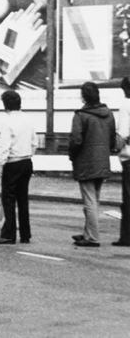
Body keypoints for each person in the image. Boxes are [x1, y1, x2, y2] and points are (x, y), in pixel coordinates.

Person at [68, 81, 119, 247]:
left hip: (86, 161)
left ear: (84, 97)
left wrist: (72, 155)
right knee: (94, 199)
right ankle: (87, 232)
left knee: (89, 201)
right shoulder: (108, 114)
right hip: (102, 160)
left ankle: (92, 237)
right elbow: (112, 139)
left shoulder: (81, 116)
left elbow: (76, 140)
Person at [0, 89, 37, 245]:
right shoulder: (28, 119)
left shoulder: (7, 122)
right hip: (26, 161)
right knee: (23, 199)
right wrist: (28, 154)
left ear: (5, 105)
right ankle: (25, 234)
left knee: (8, 199)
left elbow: (4, 146)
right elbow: (34, 142)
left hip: (12, 163)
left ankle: (9, 234)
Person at [115, 76, 130, 247]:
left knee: (128, 197)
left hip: (129, 157)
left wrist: (116, 147)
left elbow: (123, 134)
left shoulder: (126, 105)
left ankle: (126, 236)